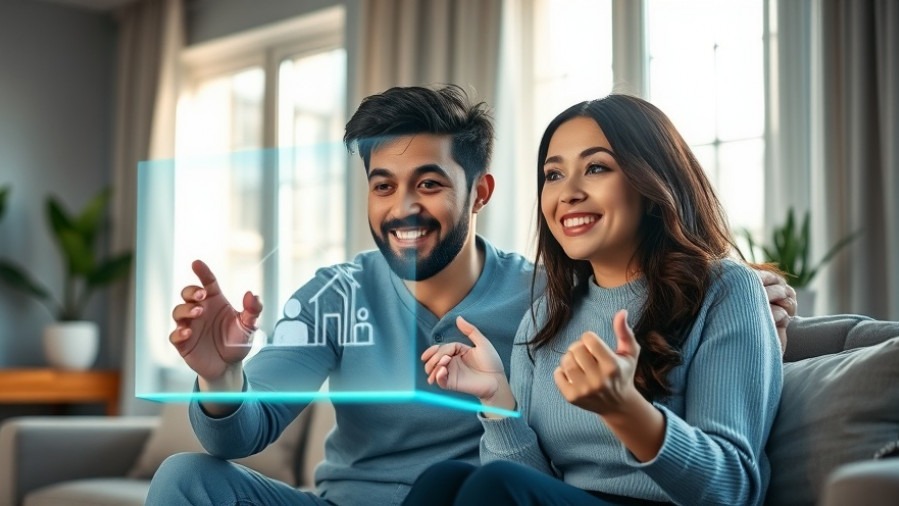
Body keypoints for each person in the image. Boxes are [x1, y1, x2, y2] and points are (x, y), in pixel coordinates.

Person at [145, 86, 794, 506]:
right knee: (185, 475)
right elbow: (240, 437)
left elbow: (662, 302)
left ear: (479, 192)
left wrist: (751, 296)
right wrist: (221, 372)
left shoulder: (544, 296)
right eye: (382, 185)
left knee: (476, 486)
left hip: (484, 495)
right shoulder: (335, 295)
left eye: (427, 183)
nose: (401, 206)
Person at [404, 95, 784, 506]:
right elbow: (531, 485)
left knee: (492, 487)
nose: (568, 193)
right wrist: (496, 398)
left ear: (652, 181)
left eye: (596, 168)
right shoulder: (544, 318)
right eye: (553, 175)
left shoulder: (727, 290)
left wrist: (625, 410)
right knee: (444, 481)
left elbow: (732, 488)